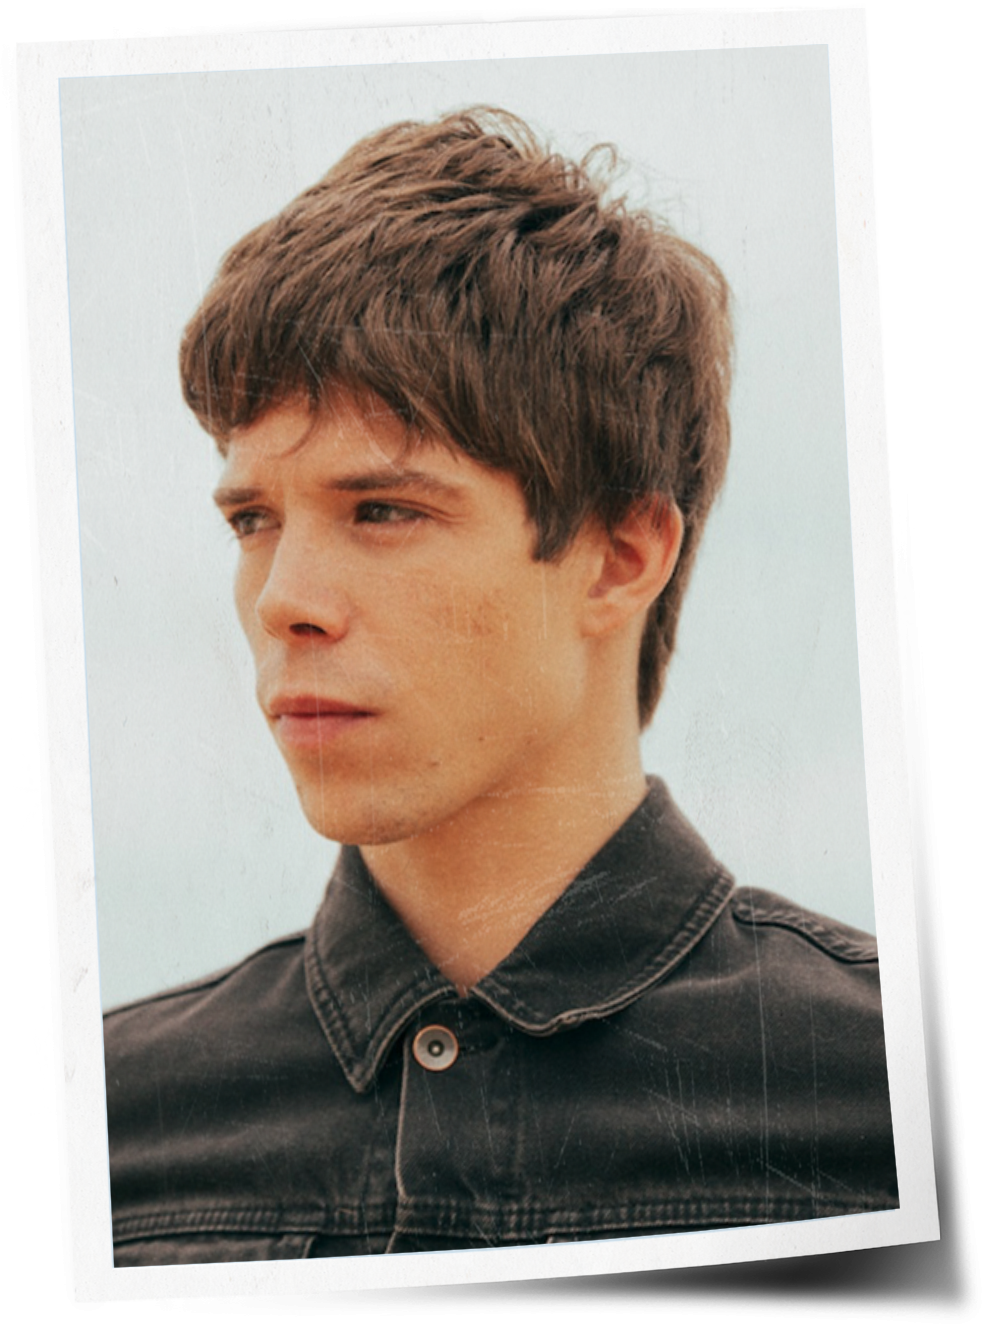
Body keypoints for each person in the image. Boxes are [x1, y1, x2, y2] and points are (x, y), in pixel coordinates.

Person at [103, 107, 898, 1266]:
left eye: (382, 509)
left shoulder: (892, 1097)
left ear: (620, 555)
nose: (283, 599)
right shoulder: (92, 1131)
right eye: (252, 519)